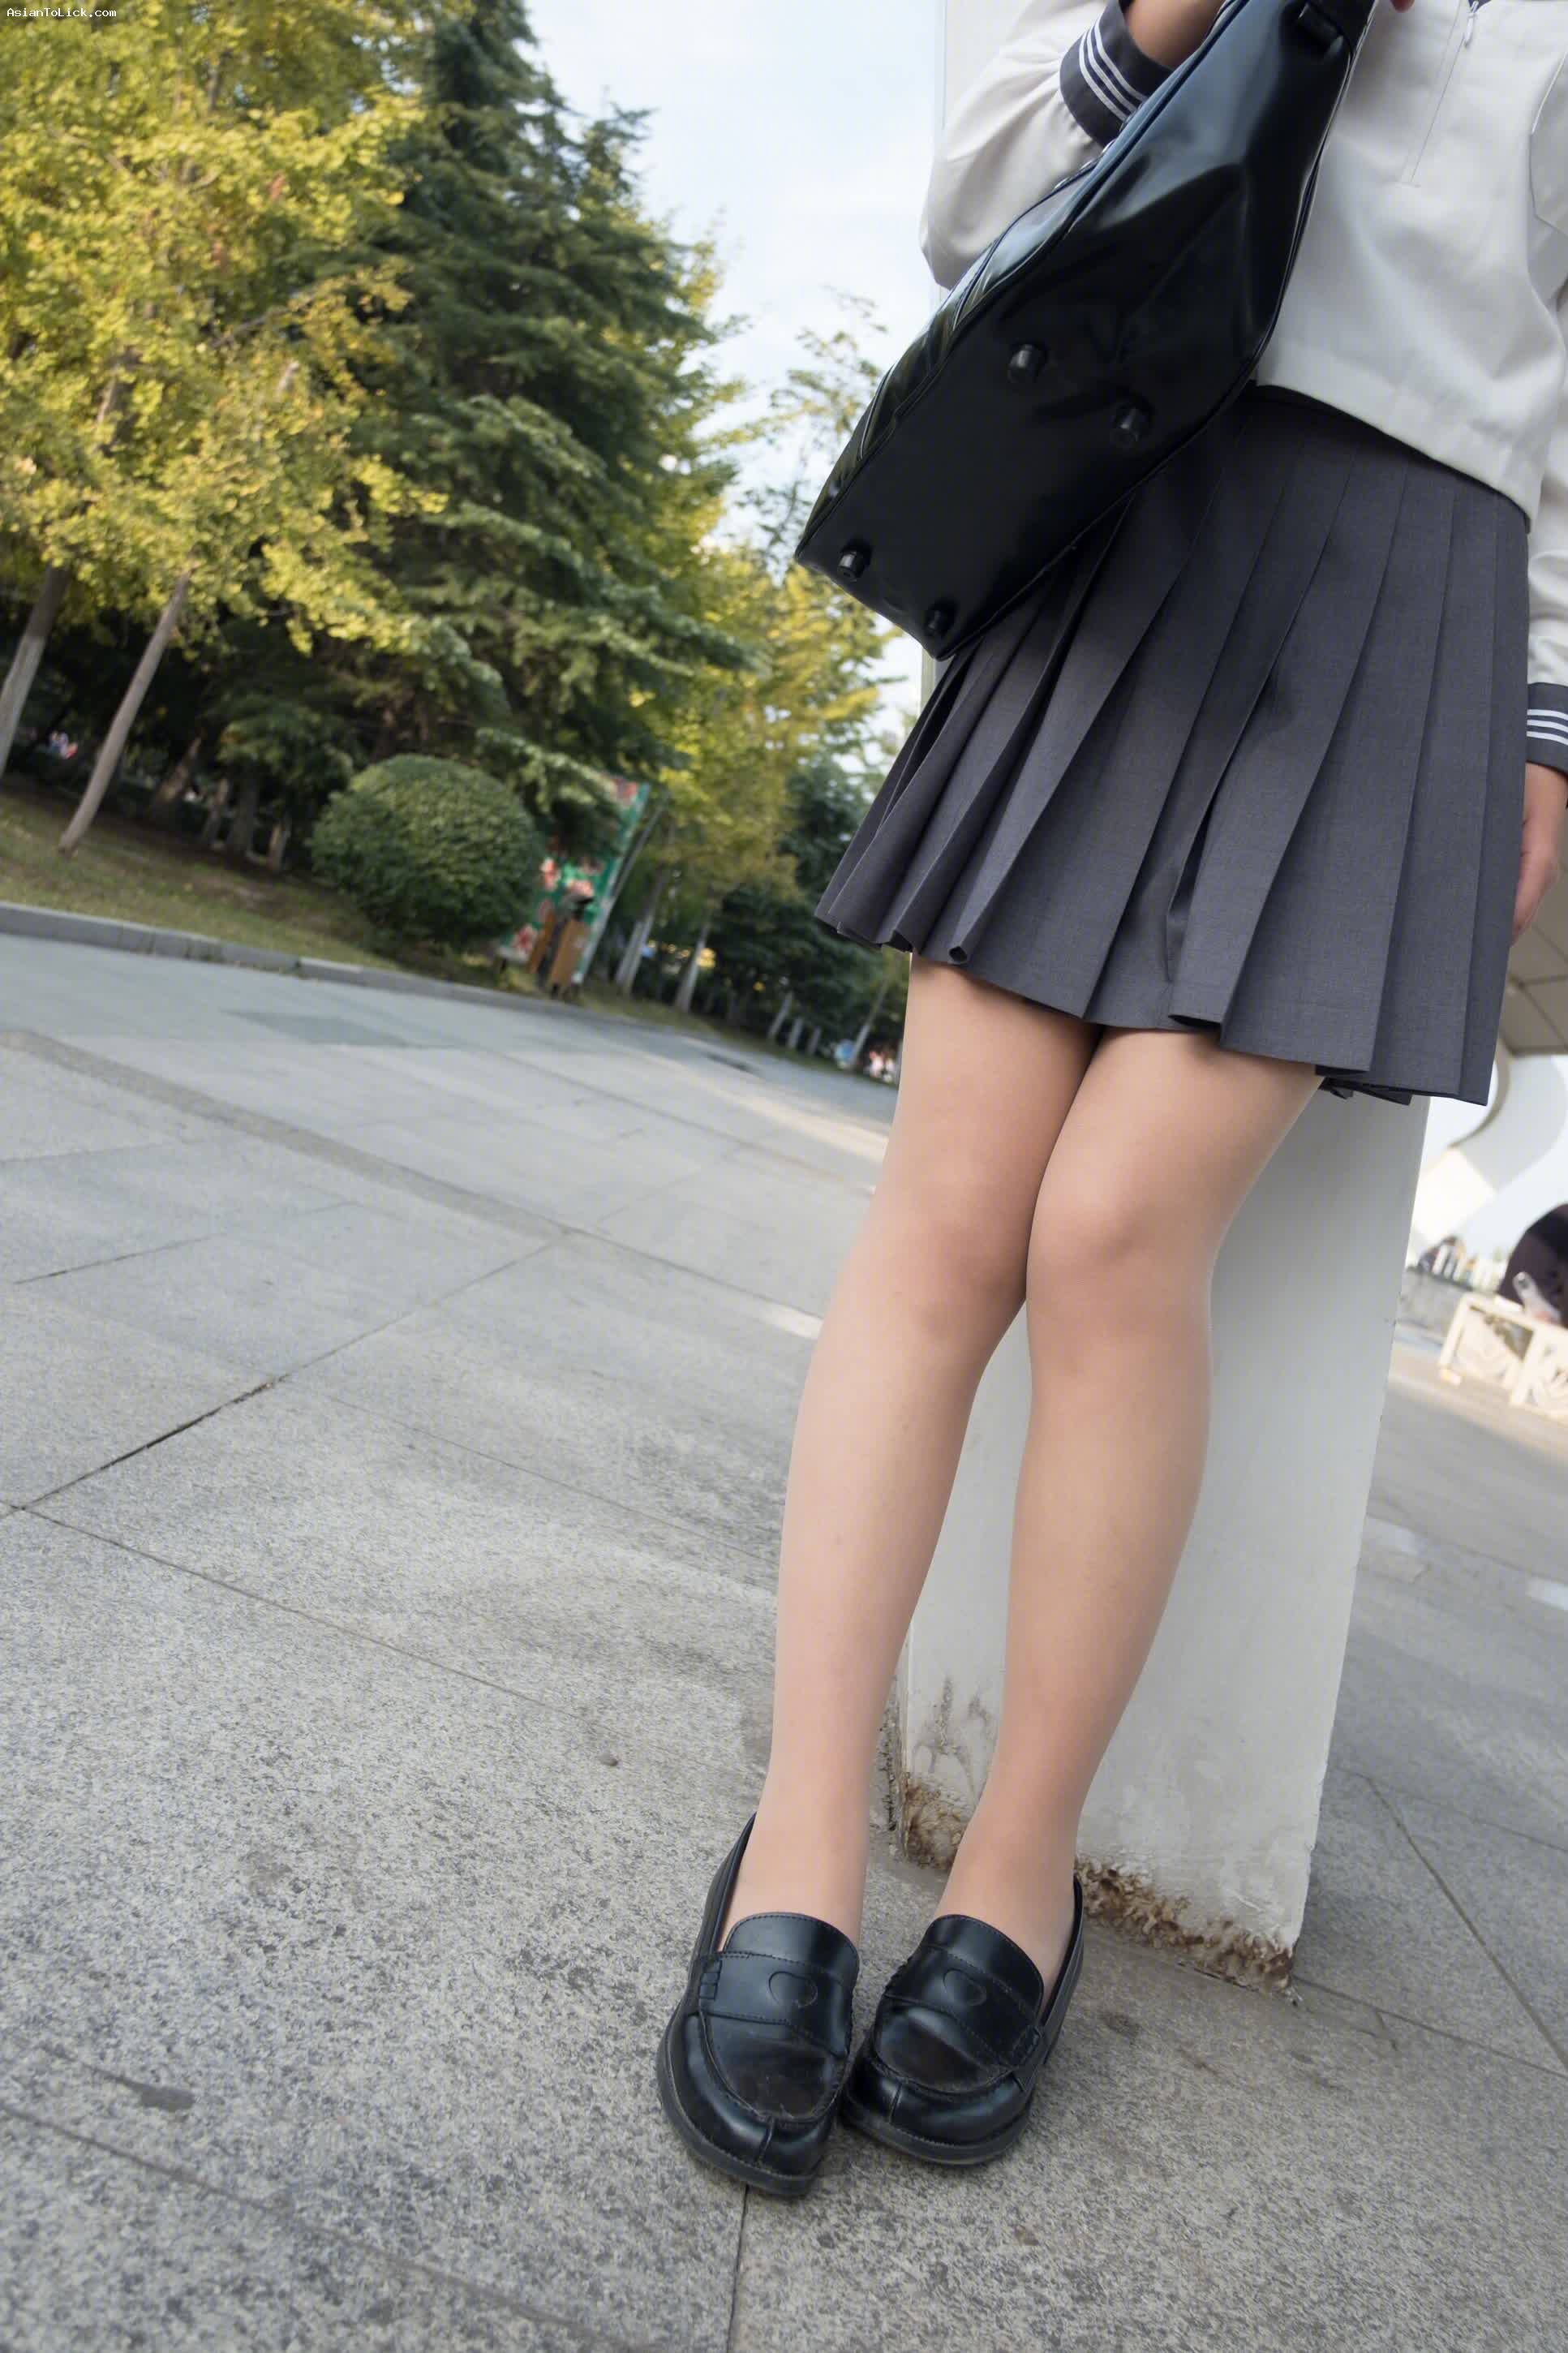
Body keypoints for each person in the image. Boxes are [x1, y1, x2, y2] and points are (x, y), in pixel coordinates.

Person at [657, 0, 1568, 2195]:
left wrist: (1554, 710)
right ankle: (801, 1836)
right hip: (1133, 456)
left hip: (1425, 561)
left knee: (1117, 1232)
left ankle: (1022, 1875)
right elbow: (977, 189)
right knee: (956, 1208)